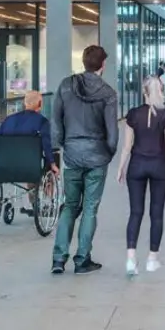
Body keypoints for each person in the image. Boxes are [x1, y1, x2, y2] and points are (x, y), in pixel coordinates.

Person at [51, 46, 119, 275]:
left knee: (69, 206)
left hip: (72, 155)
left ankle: (58, 259)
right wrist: (108, 153)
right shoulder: (108, 93)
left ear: (84, 62)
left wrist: (61, 145)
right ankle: (82, 260)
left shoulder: (66, 85)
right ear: (103, 65)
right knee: (90, 208)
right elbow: (112, 131)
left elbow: (56, 119)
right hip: (97, 156)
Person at [117, 77, 165, 276]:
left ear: (144, 92)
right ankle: (152, 259)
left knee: (135, 212)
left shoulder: (133, 114)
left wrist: (121, 167)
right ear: (160, 91)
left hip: (136, 166)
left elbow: (127, 146)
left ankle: (130, 258)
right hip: (159, 166)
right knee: (157, 213)